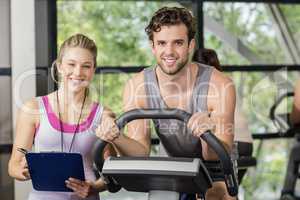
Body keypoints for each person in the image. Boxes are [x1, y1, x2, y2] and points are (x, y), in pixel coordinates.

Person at [97, 7, 236, 200]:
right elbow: (140, 154)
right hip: (174, 167)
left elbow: (217, 155)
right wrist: (116, 136)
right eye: (162, 43)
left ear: (190, 45)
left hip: (217, 168)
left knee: (217, 194)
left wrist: (207, 133)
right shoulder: (137, 86)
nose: (169, 51)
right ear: (153, 46)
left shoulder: (220, 85)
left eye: (178, 43)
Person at [8, 34, 113, 200]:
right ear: (59, 66)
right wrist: (23, 171)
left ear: (93, 70)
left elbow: (110, 173)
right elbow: (13, 166)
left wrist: (95, 187)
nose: (78, 72)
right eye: (71, 64)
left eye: (86, 66)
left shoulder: (103, 114)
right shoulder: (34, 108)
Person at [193, 48, 253, 183]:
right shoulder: (226, 81)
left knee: (217, 188)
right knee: (230, 190)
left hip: (230, 144)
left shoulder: (204, 85)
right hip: (247, 144)